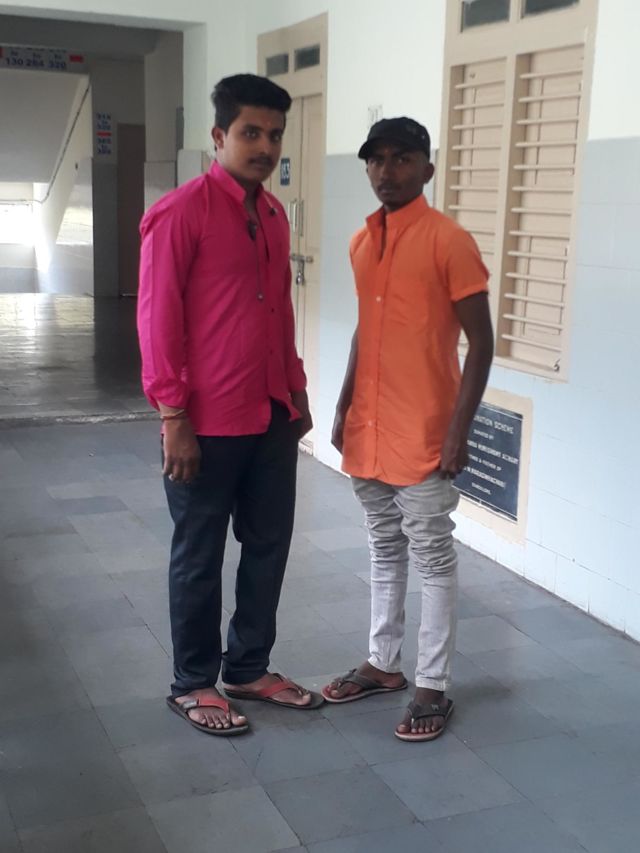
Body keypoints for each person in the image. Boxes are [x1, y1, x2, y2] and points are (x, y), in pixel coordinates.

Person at [137, 73, 322, 737]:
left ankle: (247, 668)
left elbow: (279, 314)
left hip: (270, 413)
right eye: (250, 132)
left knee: (268, 545)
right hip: (205, 421)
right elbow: (157, 319)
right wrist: (172, 415)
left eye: (274, 134)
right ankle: (193, 682)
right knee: (199, 554)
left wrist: (296, 391)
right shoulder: (180, 212)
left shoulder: (273, 214)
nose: (265, 146)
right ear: (218, 136)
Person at [322, 117, 494, 742]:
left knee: (432, 555)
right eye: (376, 160)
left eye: (401, 159)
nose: (386, 171)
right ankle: (383, 662)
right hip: (369, 427)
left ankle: (433, 685)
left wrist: (459, 430)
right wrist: (343, 405)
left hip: (423, 430)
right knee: (384, 546)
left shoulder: (449, 241)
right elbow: (365, 332)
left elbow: (482, 343)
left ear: (427, 167)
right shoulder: (361, 242)